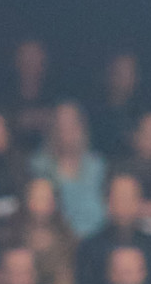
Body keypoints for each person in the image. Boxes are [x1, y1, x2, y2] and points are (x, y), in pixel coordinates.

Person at [76, 171, 151, 284]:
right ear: (107, 203)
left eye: (129, 198)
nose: (124, 205)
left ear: (140, 203)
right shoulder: (89, 248)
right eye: (118, 198)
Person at [29, 101, 107, 239]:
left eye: (72, 123)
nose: (66, 129)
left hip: (97, 238)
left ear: (82, 127)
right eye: (61, 123)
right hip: (56, 240)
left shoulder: (98, 165)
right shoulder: (39, 166)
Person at [9, 174, 77, 284]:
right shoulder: (10, 236)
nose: (41, 204)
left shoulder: (67, 239)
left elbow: (66, 281)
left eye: (46, 198)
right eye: (36, 198)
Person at [90, 50, 144, 161]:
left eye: (129, 73)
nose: (124, 79)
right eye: (120, 73)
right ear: (108, 74)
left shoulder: (141, 114)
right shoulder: (93, 113)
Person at [6, 38, 54, 147]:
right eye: (26, 57)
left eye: (35, 57)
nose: (30, 63)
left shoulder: (56, 96)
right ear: (16, 62)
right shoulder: (4, 97)